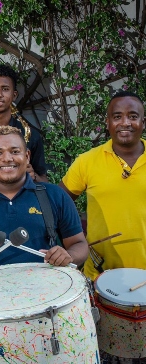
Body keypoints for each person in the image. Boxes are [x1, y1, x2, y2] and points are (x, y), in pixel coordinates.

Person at [0, 126, 88, 278]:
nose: (7, 158)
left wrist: (68, 255)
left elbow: (79, 244)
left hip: (47, 291)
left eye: (15, 151)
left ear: (27, 156)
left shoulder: (54, 195)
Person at [61, 91, 145, 279]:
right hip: (100, 275)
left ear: (143, 122)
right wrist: (76, 242)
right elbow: (59, 204)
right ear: (108, 123)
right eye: (117, 117)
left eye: (133, 116)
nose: (125, 123)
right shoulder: (87, 161)